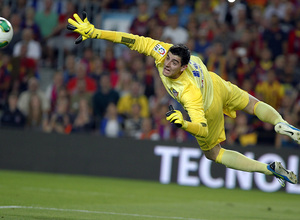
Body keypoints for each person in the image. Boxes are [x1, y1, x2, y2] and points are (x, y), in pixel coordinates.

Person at [67, 12, 300, 186]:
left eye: (174, 63)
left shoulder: (188, 93)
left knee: (214, 153)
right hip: (214, 81)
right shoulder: (162, 52)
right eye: (168, 59)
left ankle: (269, 169)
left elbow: (200, 127)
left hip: (206, 102)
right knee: (251, 103)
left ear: (183, 67)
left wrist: (183, 123)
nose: (167, 64)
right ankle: (281, 122)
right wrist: (96, 32)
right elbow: (131, 39)